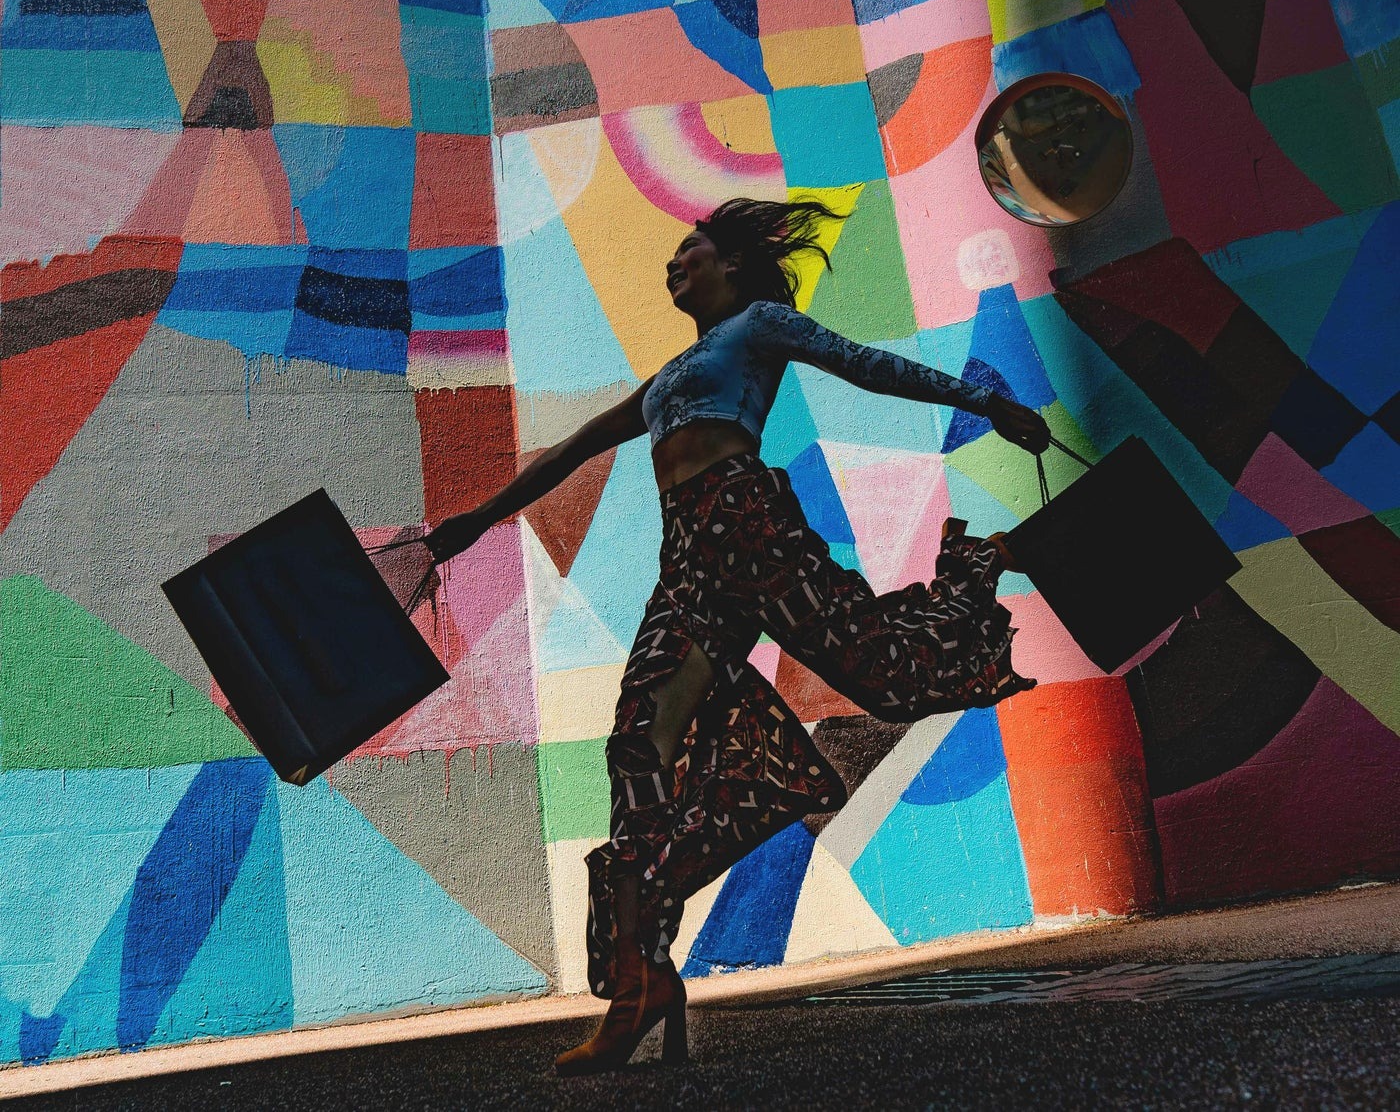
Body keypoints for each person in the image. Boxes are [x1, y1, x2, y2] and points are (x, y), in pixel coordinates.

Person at [381, 198, 1049, 1075]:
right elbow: (574, 449)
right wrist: (475, 522)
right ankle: (641, 981)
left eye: (687, 250)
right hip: (688, 553)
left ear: (732, 265)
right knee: (637, 745)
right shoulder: (666, 379)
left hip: (748, 522)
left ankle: (979, 562)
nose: (673, 264)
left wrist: (985, 402)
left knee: (885, 678)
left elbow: (865, 366)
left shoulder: (758, 325)